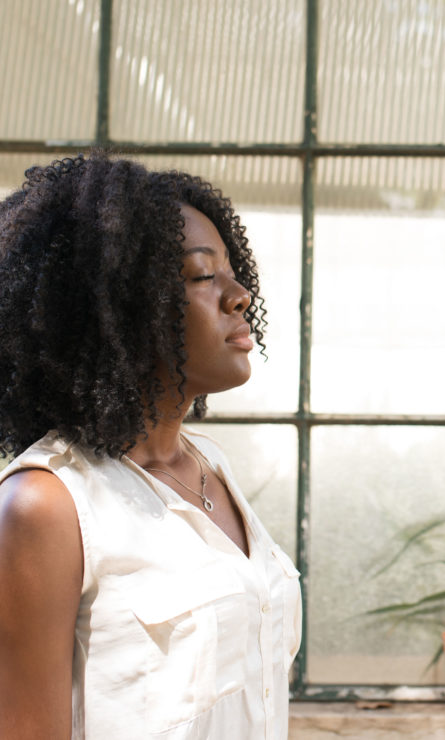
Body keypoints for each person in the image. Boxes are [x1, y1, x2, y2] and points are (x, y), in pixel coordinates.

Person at [0, 153, 301, 739]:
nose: (239, 295)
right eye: (201, 275)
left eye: (234, 272)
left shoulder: (210, 466)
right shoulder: (48, 505)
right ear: (118, 306)